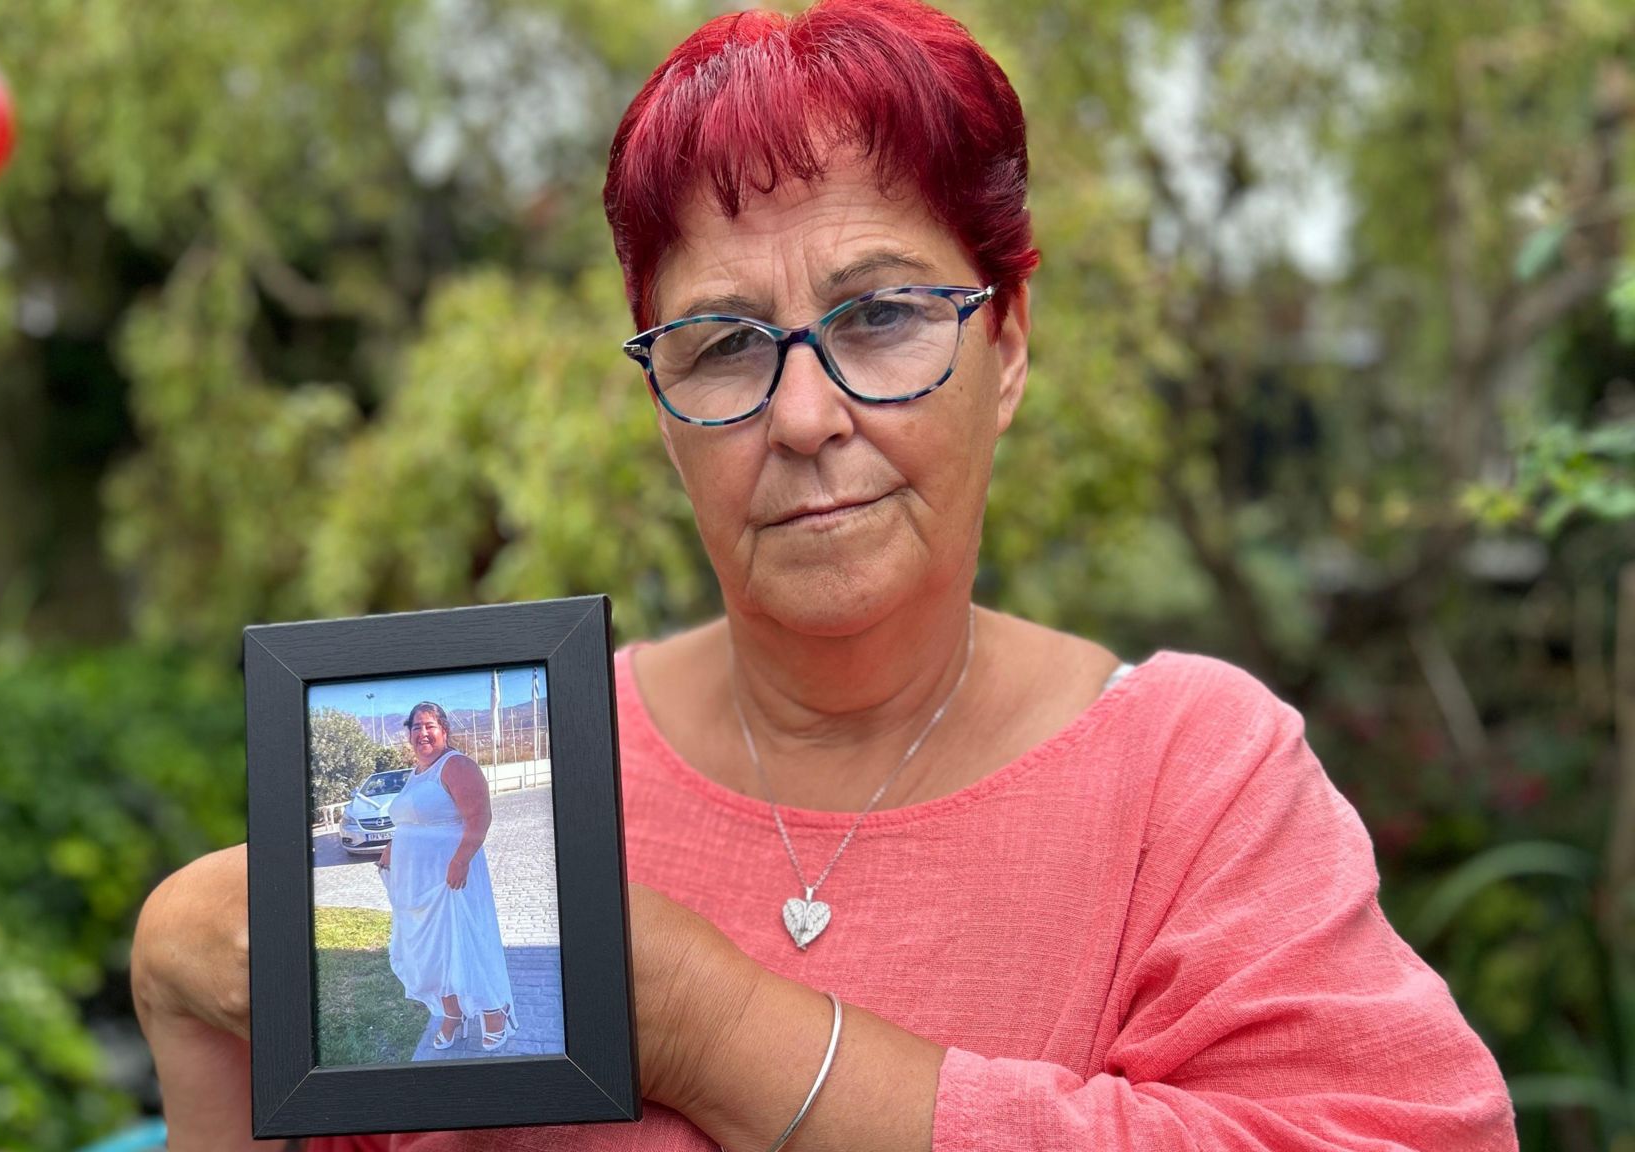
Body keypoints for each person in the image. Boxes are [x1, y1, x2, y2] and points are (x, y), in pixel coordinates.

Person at [129, 0, 1518, 1148]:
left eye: (882, 315)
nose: (805, 418)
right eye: (724, 344)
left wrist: (709, 1025)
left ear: (1011, 344)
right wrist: (184, 986)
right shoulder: (542, 764)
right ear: (661, 404)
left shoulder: (1188, 780)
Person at [377, 703, 518, 1053]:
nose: (422, 733)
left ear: (444, 730)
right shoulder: (417, 772)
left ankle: (494, 1010)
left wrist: (460, 860)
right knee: (433, 952)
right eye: (416, 727)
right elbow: (410, 823)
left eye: (430, 726)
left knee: (468, 942)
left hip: (452, 879)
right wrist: (391, 851)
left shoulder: (456, 765)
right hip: (418, 884)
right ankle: (452, 1014)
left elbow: (480, 817)